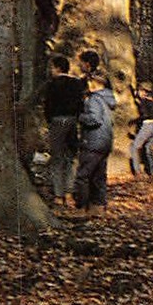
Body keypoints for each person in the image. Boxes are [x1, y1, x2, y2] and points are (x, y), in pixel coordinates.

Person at [37, 55, 86, 205]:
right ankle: (69, 193)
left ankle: (59, 195)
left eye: (52, 67)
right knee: (71, 158)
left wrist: (49, 121)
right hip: (72, 121)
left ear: (57, 68)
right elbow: (80, 105)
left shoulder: (51, 84)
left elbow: (47, 106)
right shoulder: (77, 83)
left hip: (57, 121)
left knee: (57, 159)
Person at [73, 71, 117, 214]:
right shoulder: (108, 99)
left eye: (90, 82)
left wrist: (80, 117)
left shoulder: (94, 99)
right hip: (105, 142)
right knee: (98, 176)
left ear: (96, 83)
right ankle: (98, 207)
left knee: (83, 176)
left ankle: (81, 207)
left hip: (93, 141)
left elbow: (95, 119)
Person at [129, 85, 153, 179]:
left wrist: (133, 121)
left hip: (148, 126)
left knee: (134, 147)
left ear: (143, 91)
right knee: (148, 148)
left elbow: (145, 114)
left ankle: (138, 172)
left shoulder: (144, 101)